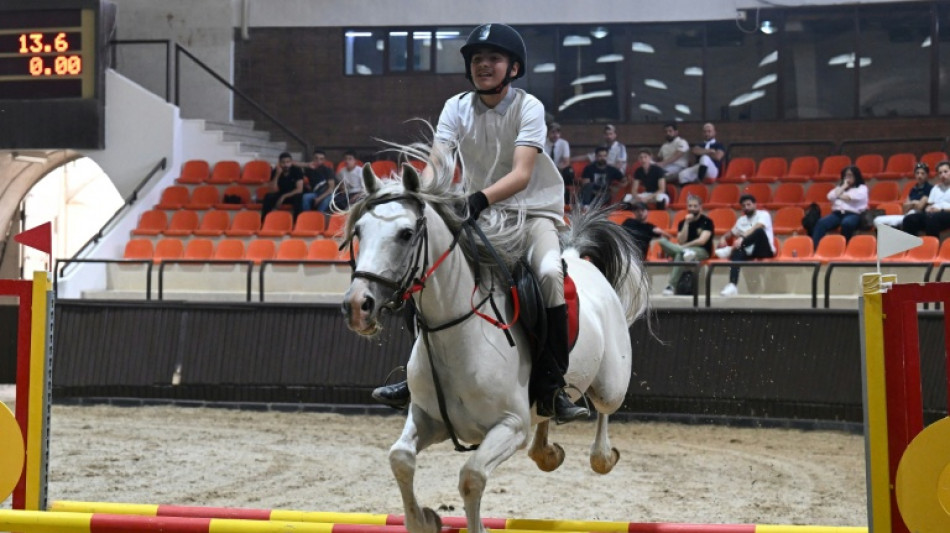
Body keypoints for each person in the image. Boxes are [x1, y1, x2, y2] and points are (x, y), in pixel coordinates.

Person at [372, 23, 587, 424]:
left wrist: (478, 198)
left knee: (547, 275)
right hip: (479, 213)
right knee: (426, 269)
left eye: (493, 59)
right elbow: (438, 163)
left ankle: (552, 384)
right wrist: (422, 193)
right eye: (477, 59)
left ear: (514, 68)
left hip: (531, 212)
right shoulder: (455, 107)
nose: (483, 65)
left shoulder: (529, 107)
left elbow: (522, 173)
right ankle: (416, 376)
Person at [717, 194, 775, 297]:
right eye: (744, 206)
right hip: (747, 250)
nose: (746, 207)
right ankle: (732, 285)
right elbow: (731, 232)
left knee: (759, 232)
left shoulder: (763, 214)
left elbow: (757, 227)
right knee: (737, 253)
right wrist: (723, 238)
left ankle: (730, 250)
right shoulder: (741, 220)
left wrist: (742, 238)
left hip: (764, 250)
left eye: (749, 204)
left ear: (755, 205)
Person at [657, 194, 714, 295]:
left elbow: (702, 241)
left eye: (695, 206)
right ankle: (685, 253)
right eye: (690, 206)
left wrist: (684, 247)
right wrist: (687, 223)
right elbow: (681, 240)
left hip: (702, 251)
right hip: (686, 250)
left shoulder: (707, 221)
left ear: (700, 207)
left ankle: (671, 286)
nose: (692, 208)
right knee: (662, 241)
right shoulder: (682, 222)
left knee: (680, 254)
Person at [811, 166, 869, 248]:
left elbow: (849, 198)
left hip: (854, 214)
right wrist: (843, 187)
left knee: (847, 223)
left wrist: (838, 195)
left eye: (850, 175)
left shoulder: (862, 188)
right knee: (821, 223)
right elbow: (830, 196)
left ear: (856, 176)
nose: (848, 178)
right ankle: (815, 248)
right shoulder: (840, 188)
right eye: (846, 176)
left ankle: (844, 246)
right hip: (837, 214)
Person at [874, 162, 932, 228]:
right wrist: (914, 203)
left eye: (922, 173)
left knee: (905, 220)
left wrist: (911, 203)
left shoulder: (929, 188)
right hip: (907, 215)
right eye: (917, 173)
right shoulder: (913, 189)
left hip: (918, 217)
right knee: (877, 220)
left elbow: (920, 207)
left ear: (927, 175)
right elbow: (904, 208)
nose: (919, 176)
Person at [901, 161, 950, 237]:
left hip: (946, 213)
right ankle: (911, 246)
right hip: (933, 214)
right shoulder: (936, 188)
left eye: (945, 172)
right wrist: (928, 208)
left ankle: (931, 246)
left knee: (933, 219)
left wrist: (940, 210)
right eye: (940, 173)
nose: (943, 175)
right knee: (909, 219)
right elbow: (929, 204)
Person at [260, 151, 304, 221]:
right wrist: (277, 175)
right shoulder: (276, 171)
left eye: (288, 162)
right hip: (281, 192)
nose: (286, 165)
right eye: (283, 162)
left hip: (293, 194)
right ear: (279, 163)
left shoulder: (297, 170)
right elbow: (272, 190)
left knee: (298, 197)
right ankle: (264, 221)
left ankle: (297, 222)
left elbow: (299, 189)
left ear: (291, 162)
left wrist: (283, 196)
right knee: (268, 196)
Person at [300, 149, 337, 213]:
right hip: (316, 193)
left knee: (325, 202)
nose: (318, 161)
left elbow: (331, 189)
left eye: (321, 159)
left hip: (327, 194)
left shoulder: (328, 170)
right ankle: (306, 216)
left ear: (324, 160)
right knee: (305, 197)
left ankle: (318, 217)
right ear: (313, 158)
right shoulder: (309, 169)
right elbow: (292, 163)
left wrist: (319, 199)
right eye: (316, 158)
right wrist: (307, 164)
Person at [545, 122, 573, 203]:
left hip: (559, 169)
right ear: (548, 133)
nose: (555, 135)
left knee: (569, 172)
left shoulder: (564, 143)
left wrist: (556, 170)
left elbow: (566, 162)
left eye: (558, 132)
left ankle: (565, 201)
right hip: (546, 169)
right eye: (553, 132)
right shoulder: (542, 142)